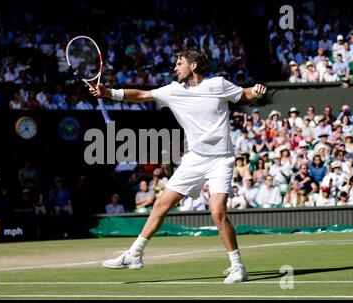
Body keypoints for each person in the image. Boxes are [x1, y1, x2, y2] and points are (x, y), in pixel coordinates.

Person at [90, 48, 267, 283]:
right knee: (161, 204)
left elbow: (244, 94)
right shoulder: (172, 91)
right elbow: (142, 95)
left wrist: (255, 91)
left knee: (217, 212)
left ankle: (238, 267)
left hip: (221, 159)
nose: (175, 67)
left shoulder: (218, 85)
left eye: (179, 63)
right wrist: (109, 92)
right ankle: (134, 254)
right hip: (194, 158)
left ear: (193, 66)